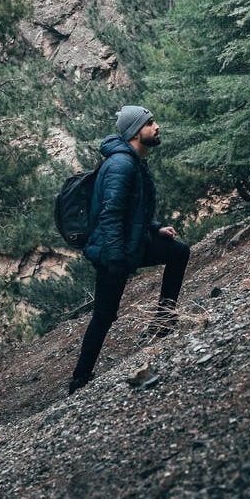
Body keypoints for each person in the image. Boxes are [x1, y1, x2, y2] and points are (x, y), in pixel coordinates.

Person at [69, 105, 190, 396]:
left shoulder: (135, 161)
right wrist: (116, 260)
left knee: (178, 252)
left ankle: (164, 321)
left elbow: (134, 210)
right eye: (151, 123)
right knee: (104, 315)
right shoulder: (122, 165)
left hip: (132, 242)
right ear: (137, 131)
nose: (157, 126)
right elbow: (110, 216)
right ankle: (79, 382)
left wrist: (155, 228)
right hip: (114, 251)